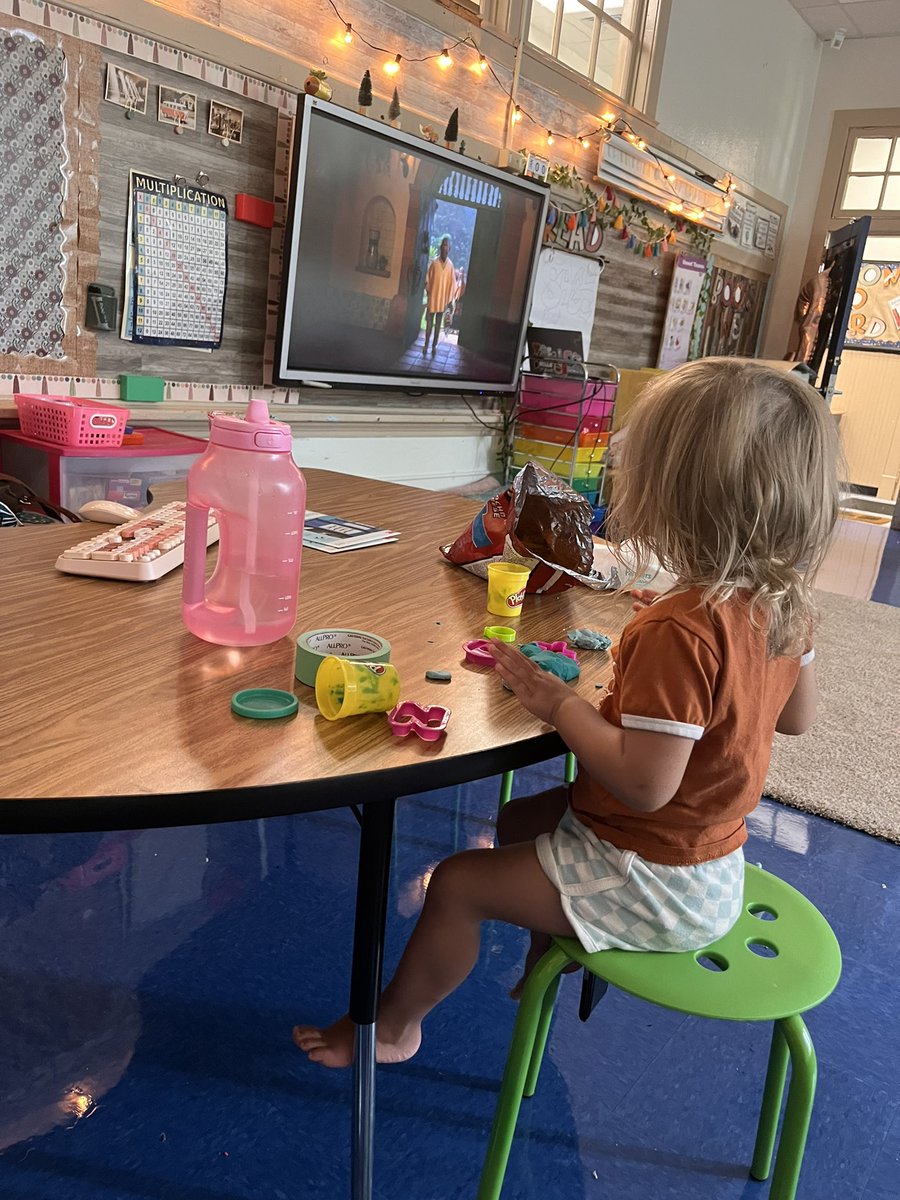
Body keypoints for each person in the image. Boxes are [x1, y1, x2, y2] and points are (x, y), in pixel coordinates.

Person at [293, 358, 841, 1069]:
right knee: (521, 821)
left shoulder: (682, 630)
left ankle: (394, 1028)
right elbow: (794, 718)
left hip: (655, 883)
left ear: (671, 493)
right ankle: (560, 944)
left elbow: (645, 785)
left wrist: (557, 704)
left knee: (458, 885)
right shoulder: (782, 605)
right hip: (711, 862)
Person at [423, 237, 454, 356]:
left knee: (437, 326)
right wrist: (428, 292)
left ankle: (434, 346)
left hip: (442, 301)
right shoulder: (434, 264)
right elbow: (427, 280)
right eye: (443, 245)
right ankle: (426, 344)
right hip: (433, 299)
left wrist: (449, 301)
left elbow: (452, 285)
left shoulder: (450, 266)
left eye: (446, 245)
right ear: (440, 248)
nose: (444, 247)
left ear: (449, 249)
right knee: (429, 325)